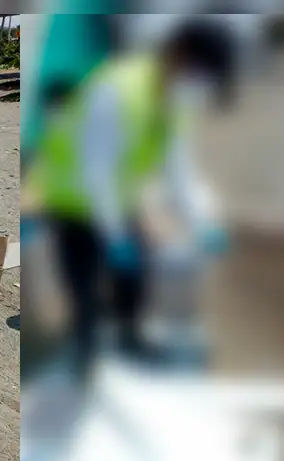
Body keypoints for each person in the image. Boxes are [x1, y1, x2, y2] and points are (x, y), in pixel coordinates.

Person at [24, 19, 234, 384]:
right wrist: (117, 236)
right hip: (73, 198)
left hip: (117, 201)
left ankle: (129, 342)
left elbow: (176, 168)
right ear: (180, 55)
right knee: (85, 286)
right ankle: (84, 363)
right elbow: (97, 169)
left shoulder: (172, 99)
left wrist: (203, 224)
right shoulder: (118, 87)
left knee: (135, 281)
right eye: (200, 73)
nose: (200, 86)